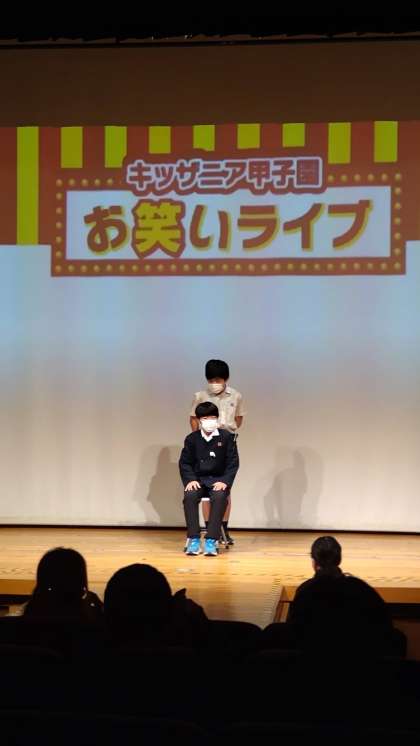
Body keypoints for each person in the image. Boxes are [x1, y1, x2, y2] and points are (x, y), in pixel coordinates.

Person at [287, 536, 404, 657]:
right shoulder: (360, 588)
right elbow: (384, 623)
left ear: (314, 563)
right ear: (339, 559)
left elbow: (294, 631)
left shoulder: (305, 590)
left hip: (313, 660)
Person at [189, 359, 245, 544]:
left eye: (218, 380)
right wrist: (198, 439)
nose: (214, 383)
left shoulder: (236, 396)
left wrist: (226, 432)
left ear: (226, 378)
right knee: (206, 488)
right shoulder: (200, 396)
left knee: (224, 488)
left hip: (227, 442)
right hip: (205, 444)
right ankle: (209, 527)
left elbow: (239, 419)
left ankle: (223, 530)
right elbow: (193, 418)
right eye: (211, 380)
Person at [180, 401, 239, 556]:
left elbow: (233, 463)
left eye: (213, 418)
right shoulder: (192, 439)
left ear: (217, 418)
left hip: (218, 480)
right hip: (198, 480)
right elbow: (185, 462)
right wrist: (190, 480)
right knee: (190, 496)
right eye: (205, 418)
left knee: (220, 497)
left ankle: (211, 540)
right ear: (199, 420)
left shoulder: (227, 437)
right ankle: (193, 539)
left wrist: (225, 481)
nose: (209, 421)